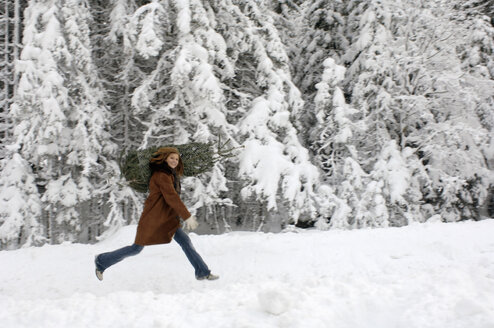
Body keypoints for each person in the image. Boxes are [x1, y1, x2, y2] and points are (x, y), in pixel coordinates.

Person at [94, 147, 219, 281]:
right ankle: (101, 261)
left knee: (185, 241)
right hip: (153, 218)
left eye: (177, 159)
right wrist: (186, 216)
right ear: (164, 158)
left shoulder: (170, 174)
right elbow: (171, 197)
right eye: (171, 158)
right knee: (136, 249)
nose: (174, 161)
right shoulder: (161, 175)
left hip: (166, 219)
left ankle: (202, 271)